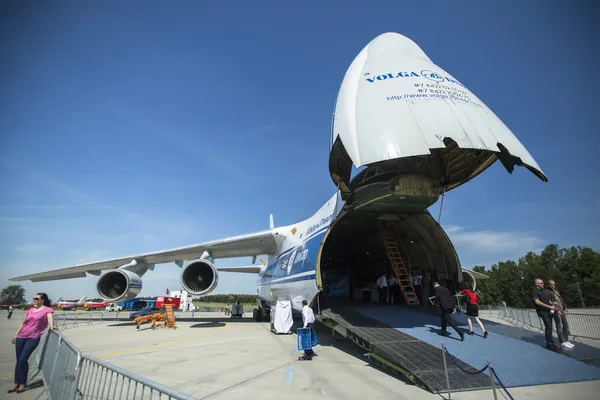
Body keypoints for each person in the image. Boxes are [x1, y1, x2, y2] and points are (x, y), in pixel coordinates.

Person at [9, 293, 56, 394]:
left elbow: (49, 318)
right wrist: (16, 335)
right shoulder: (30, 310)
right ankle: (16, 382)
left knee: (23, 359)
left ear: (42, 300)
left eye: (36, 298)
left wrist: (52, 326)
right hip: (21, 337)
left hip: (33, 338)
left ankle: (22, 383)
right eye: (33, 298)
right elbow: (23, 323)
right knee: (18, 360)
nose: (34, 300)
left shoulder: (47, 310)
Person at [532, 279, 566, 350]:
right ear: (537, 284)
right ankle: (550, 344)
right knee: (548, 325)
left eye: (543, 283)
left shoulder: (544, 291)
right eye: (541, 283)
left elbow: (548, 300)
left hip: (548, 310)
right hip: (542, 311)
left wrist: (553, 303)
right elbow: (537, 302)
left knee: (550, 326)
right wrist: (548, 306)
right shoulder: (535, 291)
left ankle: (551, 343)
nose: (543, 284)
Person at [548, 280, 574, 348]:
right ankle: (562, 341)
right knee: (559, 325)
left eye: (554, 284)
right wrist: (557, 310)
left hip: (561, 309)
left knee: (565, 325)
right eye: (551, 284)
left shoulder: (556, 291)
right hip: (556, 311)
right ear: (548, 285)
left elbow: (561, 300)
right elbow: (550, 303)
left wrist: (565, 307)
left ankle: (566, 340)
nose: (552, 285)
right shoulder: (547, 292)